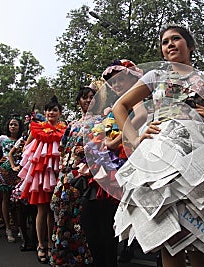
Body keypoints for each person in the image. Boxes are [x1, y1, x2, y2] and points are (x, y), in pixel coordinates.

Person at [112, 25, 204, 267]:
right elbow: (120, 106)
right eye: (165, 41)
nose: (170, 44)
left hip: (201, 160)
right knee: (171, 241)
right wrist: (135, 138)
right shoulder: (154, 77)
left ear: (190, 45)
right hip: (163, 162)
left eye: (176, 39)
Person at [79, 60, 146, 267]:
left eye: (119, 79)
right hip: (107, 163)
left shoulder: (136, 96)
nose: (115, 85)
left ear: (130, 78)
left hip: (123, 162)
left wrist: (115, 142)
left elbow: (142, 116)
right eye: (112, 82)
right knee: (95, 221)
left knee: (104, 222)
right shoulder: (117, 103)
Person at [50, 86, 96, 266]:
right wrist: (63, 170)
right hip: (68, 174)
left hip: (86, 176)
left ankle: (82, 257)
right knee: (61, 211)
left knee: (80, 218)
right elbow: (62, 149)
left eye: (92, 97)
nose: (88, 100)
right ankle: (62, 256)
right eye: (84, 98)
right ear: (78, 102)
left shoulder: (100, 122)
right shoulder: (72, 125)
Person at [18, 96, 66, 264]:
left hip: (58, 173)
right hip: (41, 174)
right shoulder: (37, 128)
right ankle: (40, 245)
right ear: (45, 112)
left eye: (54, 110)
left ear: (60, 113)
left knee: (53, 211)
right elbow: (25, 148)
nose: (51, 112)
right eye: (48, 109)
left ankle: (52, 244)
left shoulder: (64, 129)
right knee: (42, 210)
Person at [0, 116, 24, 243]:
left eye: (15, 124)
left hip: (19, 172)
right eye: (11, 124)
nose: (13, 126)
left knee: (18, 201)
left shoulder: (22, 140)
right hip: (5, 171)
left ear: (19, 127)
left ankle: (19, 227)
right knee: (6, 199)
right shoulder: (3, 138)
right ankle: (8, 228)